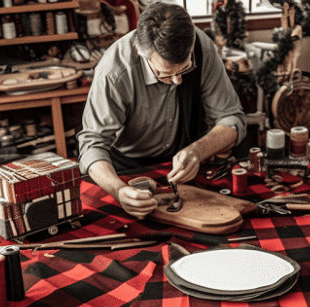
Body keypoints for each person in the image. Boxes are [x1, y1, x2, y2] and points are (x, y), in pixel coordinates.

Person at [77, 1, 247, 218]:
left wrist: (197, 151)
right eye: (164, 74)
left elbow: (233, 119)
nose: (177, 81)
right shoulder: (115, 70)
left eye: (184, 69)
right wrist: (119, 190)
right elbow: (92, 145)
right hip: (127, 171)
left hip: (184, 167)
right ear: (142, 52)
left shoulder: (201, 47)